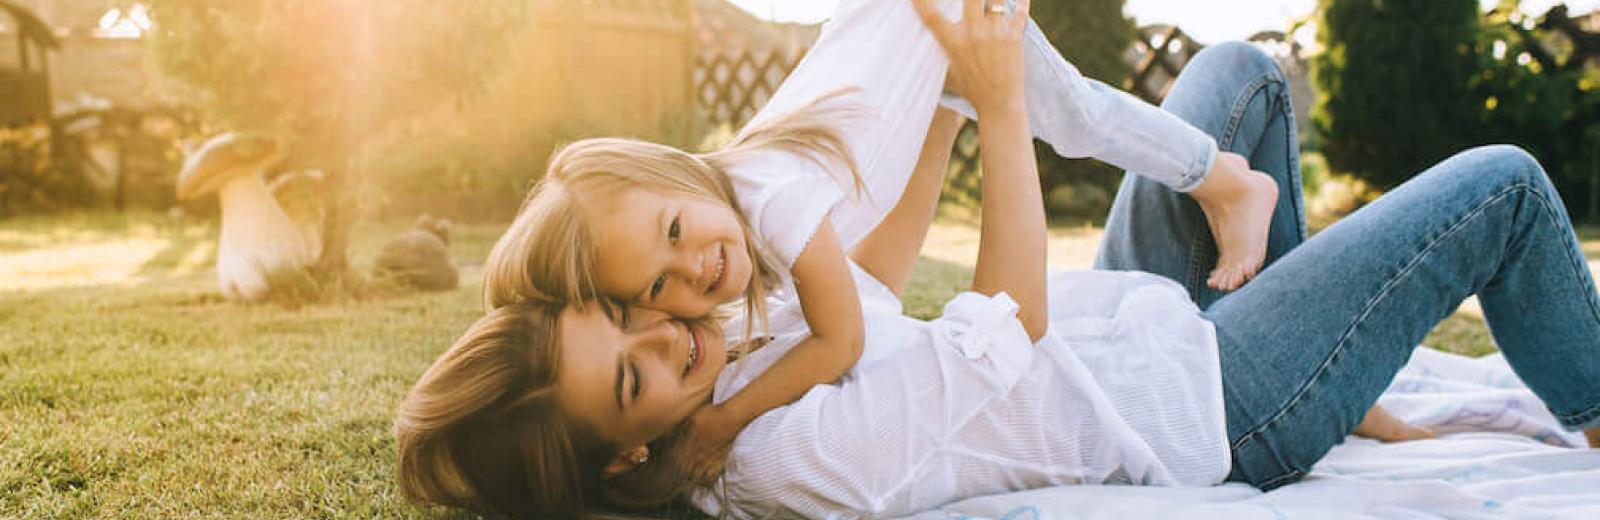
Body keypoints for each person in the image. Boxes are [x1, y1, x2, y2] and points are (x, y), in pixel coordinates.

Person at [394, 0, 1600, 518]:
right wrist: (1001, 104)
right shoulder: (781, 459)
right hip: (1210, 403)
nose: (669, 326)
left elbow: (865, 286)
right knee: (1498, 187)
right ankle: (1573, 412)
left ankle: (1345, 379)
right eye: (631, 373)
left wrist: (939, 105)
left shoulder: (732, 366)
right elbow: (1003, 324)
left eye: (630, 308)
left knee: (1237, 77)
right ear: (629, 457)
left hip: (1126, 332)